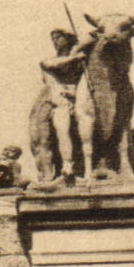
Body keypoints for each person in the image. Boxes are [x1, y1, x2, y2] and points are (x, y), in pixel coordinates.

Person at [39, 28, 92, 181]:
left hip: (81, 100)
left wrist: (80, 49)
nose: (55, 41)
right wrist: (75, 57)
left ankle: (89, 168)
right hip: (61, 101)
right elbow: (50, 64)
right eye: (53, 38)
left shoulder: (81, 60)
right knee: (62, 126)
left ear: (68, 39)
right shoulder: (52, 61)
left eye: (58, 38)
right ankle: (67, 165)